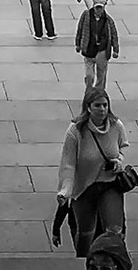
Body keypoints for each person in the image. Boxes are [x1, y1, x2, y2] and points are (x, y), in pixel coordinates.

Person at [56, 87, 132, 260]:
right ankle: (83, 262)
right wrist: (65, 191)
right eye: (98, 105)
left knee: (114, 231)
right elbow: (68, 165)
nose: (103, 109)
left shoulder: (116, 126)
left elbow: (123, 149)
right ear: (88, 107)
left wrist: (119, 162)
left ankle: (116, 263)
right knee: (85, 233)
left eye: (105, 105)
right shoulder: (75, 131)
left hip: (109, 184)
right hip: (84, 188)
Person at [76, 0, 120, 93]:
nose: (99, 10)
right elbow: (80, 29)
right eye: (97, 7)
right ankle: (89, 90)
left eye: (101, 8)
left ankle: (99, 93)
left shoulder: (108, 20)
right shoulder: (86, 15)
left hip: (102, 51)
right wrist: (78, 44)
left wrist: (116, 49)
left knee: (101, 75)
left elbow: (114, 34)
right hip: (89, 49)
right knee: (89, 75)